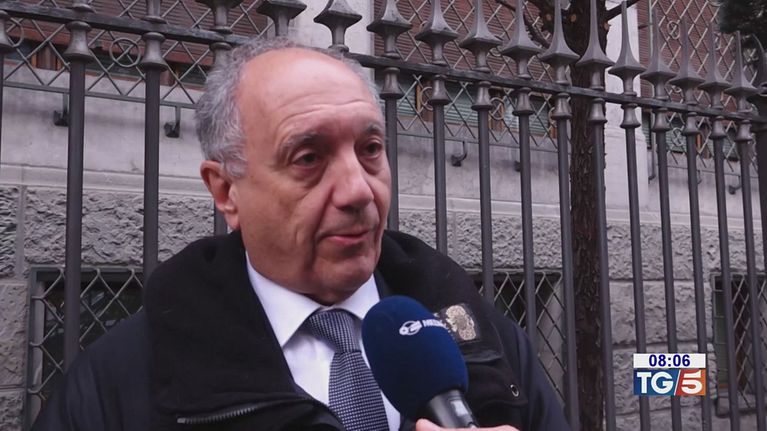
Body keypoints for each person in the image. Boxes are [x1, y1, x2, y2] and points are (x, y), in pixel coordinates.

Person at [32, 38, 569, 431]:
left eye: (370, 150)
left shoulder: (481, 340)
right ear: (226, 191)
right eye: (308, 157)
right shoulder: (123, 379)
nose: (358, 190)